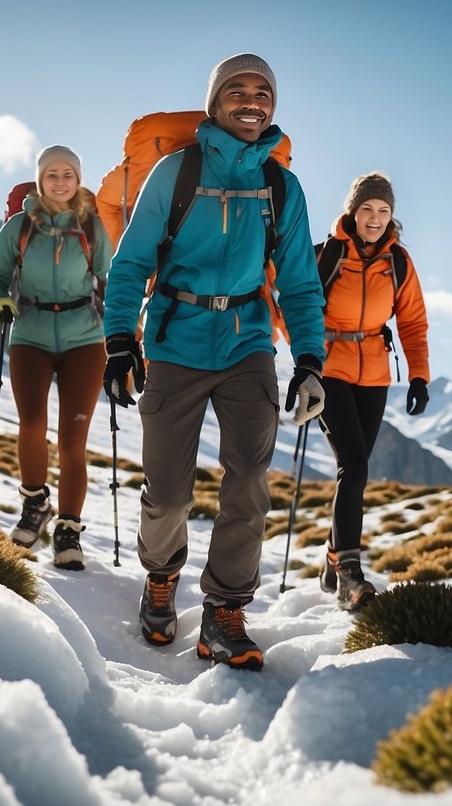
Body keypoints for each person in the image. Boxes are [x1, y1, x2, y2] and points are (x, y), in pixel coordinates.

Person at [102, 53, 326, 670]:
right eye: (237, 91)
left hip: (247, 344)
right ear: (214, 102)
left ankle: (225, 612)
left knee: (249, 481)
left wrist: (310, 358)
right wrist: (121, 339)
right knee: (169, 495)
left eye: (262, 92)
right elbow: (130, 264)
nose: (251, 102)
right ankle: (161, 577)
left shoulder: (281, 186)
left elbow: (302, 283)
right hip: (174, 341)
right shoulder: (177, 172)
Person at [0, 145, 112, 571]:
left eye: (68, 174)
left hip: (84, 337)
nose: (60, 182)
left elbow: (111, 279)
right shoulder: (19, 227)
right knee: (32, 424)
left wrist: (126, 324)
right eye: (52, 174)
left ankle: (68, 529)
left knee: (73, 441)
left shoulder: (91, 227)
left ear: (78, 180)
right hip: (31, 332)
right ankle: (35, 503)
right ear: (40, 180)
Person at [317, 172, 430, 611]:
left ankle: (333, 558)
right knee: (354, 463)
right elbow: (294, 302)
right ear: (352, 211)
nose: (375, 218)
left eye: (383, 211)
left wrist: (419, 374)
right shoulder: (327, 255)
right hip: (329, 367)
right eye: (367, 209)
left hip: (376, 373)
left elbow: (413, 322)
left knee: (356, 469)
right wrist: (308, 352)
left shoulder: (398, 262)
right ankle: (349, 574)